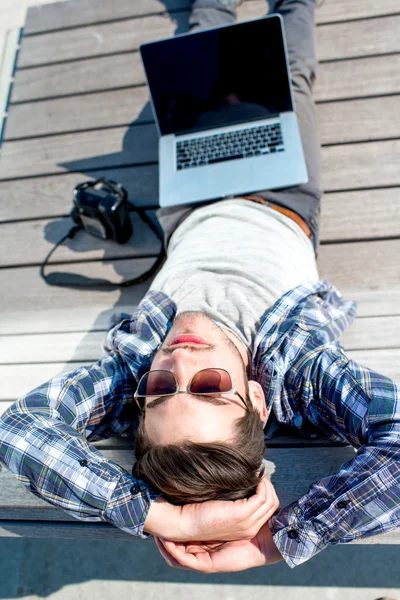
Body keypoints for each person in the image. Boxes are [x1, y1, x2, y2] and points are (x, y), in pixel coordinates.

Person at [0, 0, 399, 574]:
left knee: (198, 59)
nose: (179, 364)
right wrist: (279, 540)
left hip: (192, 202)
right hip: (282, 195)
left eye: (162, 392)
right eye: (212, 387)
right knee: (285, 76)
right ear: (256, 400)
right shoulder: (300, 370)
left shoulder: (132, 372)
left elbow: (20, 430)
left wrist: (154, 516)